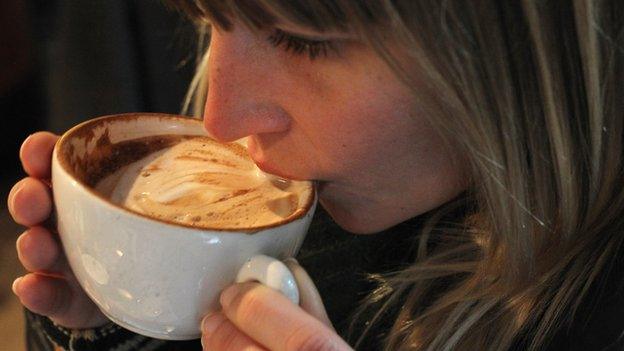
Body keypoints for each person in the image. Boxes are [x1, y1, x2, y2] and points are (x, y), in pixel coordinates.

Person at [7, 0, 624, 350]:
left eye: (303, 42)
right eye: (208, 22)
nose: (220, 121)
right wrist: (127, 326)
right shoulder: (312, 191)